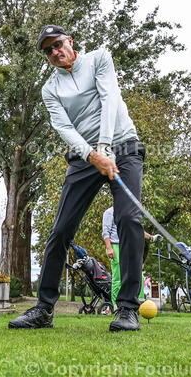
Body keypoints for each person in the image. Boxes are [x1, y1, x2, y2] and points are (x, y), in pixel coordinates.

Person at [9, 24, 146, 332]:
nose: (55, 52)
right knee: (60, 230)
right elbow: (65, 129)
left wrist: (105, 147)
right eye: (48, 51)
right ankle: (44, 309)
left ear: (70, 41)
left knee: (128, 220)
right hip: (85, 157)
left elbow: (109, 97)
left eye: (57, 44)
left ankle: (127, 309)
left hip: (123, 146)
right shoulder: (50, 89)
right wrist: (94, 155)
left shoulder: (99, 58)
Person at [102, 205, 153, 303]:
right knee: (118, 278)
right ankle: (116, 305)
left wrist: (151, 237)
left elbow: (136, 229)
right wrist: (109, 248)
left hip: (127, 246)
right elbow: (105, 232)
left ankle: (138, 304)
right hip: (115, 246)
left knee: (139, 277)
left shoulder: (128, 212)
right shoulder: (109, 212)